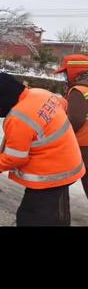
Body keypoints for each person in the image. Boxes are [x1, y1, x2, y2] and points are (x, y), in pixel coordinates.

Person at [0, 72, 85, 226]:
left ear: (1, 100)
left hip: (52, 174)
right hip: (64, 162)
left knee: (38, 218)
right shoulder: (40, 93)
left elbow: (16, 156)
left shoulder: (17, 117)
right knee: (49, 211)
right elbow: (64, 104)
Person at [54, 54, 88, 199]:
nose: (65, 76)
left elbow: (75, 119)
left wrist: (58, 136)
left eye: (66, 72)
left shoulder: (78, 90)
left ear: (74, 71)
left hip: (84, 145)